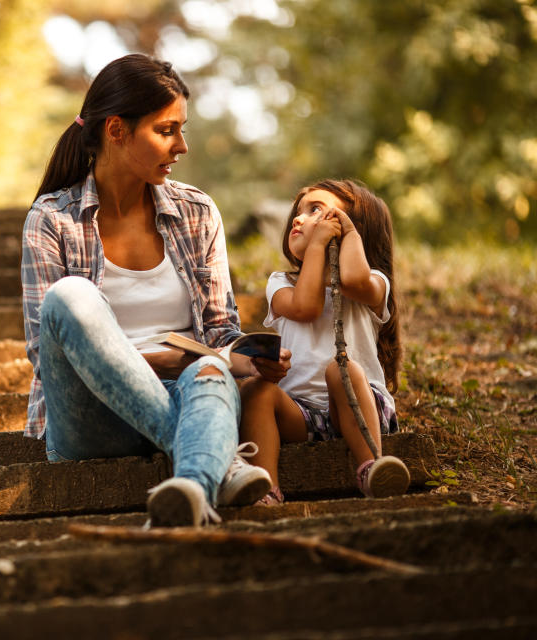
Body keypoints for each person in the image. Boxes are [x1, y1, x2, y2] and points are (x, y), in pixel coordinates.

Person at [21, 53, 290, 527]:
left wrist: (244, 356)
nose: (182, 146)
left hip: (193, 393)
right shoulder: (51, 219)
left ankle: (191, 486)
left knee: (211, 369)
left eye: (182, 129)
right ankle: (220, 460)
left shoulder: (197, 212)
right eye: (167, 130)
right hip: (92, 421)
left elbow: (220, 333)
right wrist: (170, 361)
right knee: (70, 297)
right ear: (116, 130)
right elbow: (47, 353)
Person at [240, 179, 410, 505]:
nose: (298, 219)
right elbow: (306, 307)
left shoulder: (373, 283)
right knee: (255, 390)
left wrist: (349, 236)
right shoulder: (280, 283)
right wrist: (318, 246)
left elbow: (352, 279)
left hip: (364, 407)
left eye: (316, 210)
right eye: (298, 212)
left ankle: (372, 468)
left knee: (339, 369)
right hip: (303, 415)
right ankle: (266, 486)